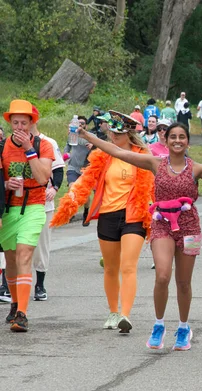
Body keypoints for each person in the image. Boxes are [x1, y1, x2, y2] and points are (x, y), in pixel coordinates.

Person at [66, 122, 202, 351]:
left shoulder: (197, 169)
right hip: (161, 225)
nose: (177, 140)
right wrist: (86, 134)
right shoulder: (154, 163)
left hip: (190, 227)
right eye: (173, 137)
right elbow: (117, 151)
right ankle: (158, 325)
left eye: (182, 137)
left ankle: (183, 327)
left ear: (187, 141)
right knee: (162, 276)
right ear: (166, 141)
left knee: (184, 282)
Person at [51, 111, 154, 334]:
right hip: (108, 215)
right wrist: (73, 195)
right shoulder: (103, 155)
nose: (114, 137)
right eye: (112, 133)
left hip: (134, 215)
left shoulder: (142, 156)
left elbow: (154, 184)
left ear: (129, 134)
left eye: (118, 133)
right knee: (110, 268)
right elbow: (87, 179)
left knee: (128, 266)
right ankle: (113, 311)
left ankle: (125, 315)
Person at [1, 100, 54, 332]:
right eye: (16, 123)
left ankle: (22, 313)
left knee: (24, 255)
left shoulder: (44, 145)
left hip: (33, 206)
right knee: (11, 261)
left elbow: (43, 178)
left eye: (24, 122)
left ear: (32, 123)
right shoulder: (2, 147)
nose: (20, 127)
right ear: (10, 123)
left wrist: (29, 150)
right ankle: (14, 303)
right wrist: (6, 183)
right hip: (9, 208)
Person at [30, 106, 65, 302]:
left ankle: (40, 283)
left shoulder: (48, 142)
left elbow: (58, 169)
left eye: (28, 119)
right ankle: (7, 284)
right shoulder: (11, 144)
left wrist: (55, 188)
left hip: (43, 201)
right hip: (19, 200)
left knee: (42, 244)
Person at [64, 116, 94, 225]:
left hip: (85, 169)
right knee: (72, 188)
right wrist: (66, 155)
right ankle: (71, 212)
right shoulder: (72, 135)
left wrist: (93, 146)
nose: (80, 125)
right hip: (73, 167)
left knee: (85, 196)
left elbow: (100, 148)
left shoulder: (91, 136)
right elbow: (67, 148)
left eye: (82, 123)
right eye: (78, 123)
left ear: (86, 125)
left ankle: (86, 211)